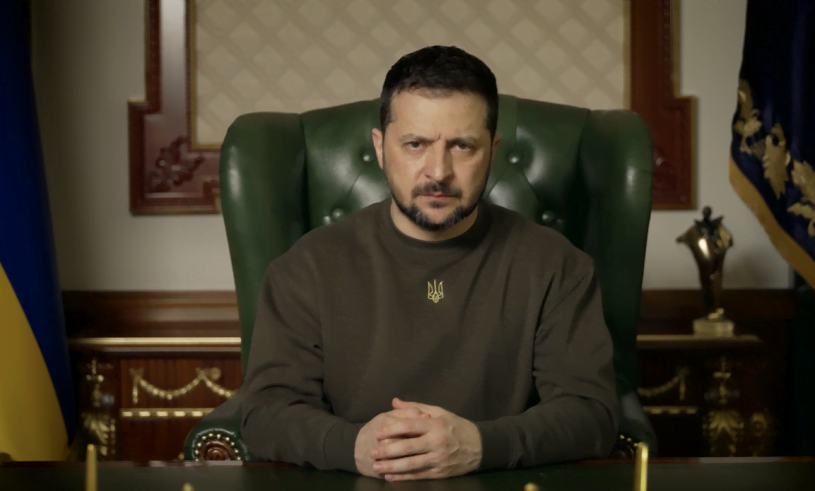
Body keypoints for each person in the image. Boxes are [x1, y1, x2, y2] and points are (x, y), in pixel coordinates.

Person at [240, 45, 618, 481]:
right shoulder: (305, 267)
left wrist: (479, 445)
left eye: (462, 146)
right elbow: (264, 414)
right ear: (380, 148)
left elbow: (592, 415)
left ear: (492, 150)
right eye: (415, 144)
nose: (437, 172)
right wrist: (356, 446)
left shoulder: (558, 265)